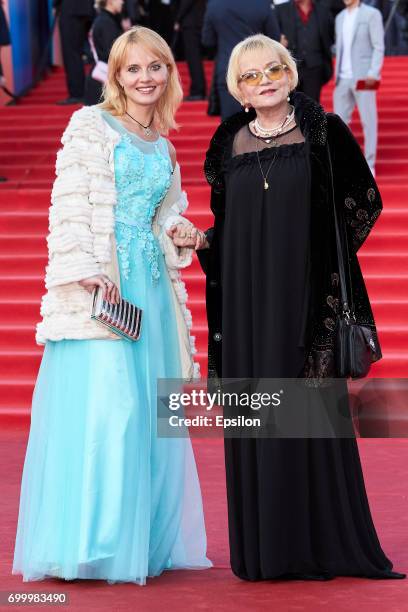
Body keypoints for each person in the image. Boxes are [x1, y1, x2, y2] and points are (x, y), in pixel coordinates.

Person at [171, 34, 406, 581]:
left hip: (305, 300)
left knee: (310, 418)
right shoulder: (228, 140)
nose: (265, 80)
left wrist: (322, 259)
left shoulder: (324, 131)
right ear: (238, 89)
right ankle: (268, 550)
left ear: (290, 73)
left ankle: (321, 545)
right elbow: (228, 226)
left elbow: (364, 202)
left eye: (273, 69)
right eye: (250, 75)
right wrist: (203, 240)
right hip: (247, 305)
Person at [12, 26, 212, 585]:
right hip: (106, 289)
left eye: (157, 67)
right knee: (109, 411)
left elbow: (161, 212)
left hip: (149, 285)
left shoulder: (165, 143)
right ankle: (91, 545)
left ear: (170, 73)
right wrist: (88, 268)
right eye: (133, 69)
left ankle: (140, 540)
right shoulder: (90, 125)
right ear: (116, 76)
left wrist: (181, 231)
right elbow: (70, 203)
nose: (146, 78)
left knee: (148, 417)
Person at [202, 0, 280, 120]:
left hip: (228, 70)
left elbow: (207, 41)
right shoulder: (262, 3)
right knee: (263, 124)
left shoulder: (214, 4)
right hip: (260, 73)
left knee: (231, 128)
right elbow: (274, 38)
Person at [334, 0, 384, 177]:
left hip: (364, 77)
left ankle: (369, 163)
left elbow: (378, 46)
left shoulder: (371, 14)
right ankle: (343, 163)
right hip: (342, 78)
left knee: (368, 121)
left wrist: (373, 73)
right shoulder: (339, 18)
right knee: (338, 124)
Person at [275, 0, 334, 102]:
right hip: (289, 68)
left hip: (315, 67)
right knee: (290, 105)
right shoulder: (280, 10)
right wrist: (278, 42)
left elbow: (330, 36)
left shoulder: (323, 10)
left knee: (312, 106)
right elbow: (271, 34)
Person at [53, 0, 95, 105]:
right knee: (86, 51)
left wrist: (56, 5)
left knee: (71, 52)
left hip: (70, 7)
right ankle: (85, 91)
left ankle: (77, 93)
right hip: (89, 8)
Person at [85, 0, 124, 105]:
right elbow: (112, 52)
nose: (122, 2)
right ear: (110, 1)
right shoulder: (106, 22)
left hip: (100, 77)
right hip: (103, 80)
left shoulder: (104, 20)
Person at [174, 0, 207, 101]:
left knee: (193, 57)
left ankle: (198, 90)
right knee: (194, 57)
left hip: (191, 22)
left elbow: (186, 2)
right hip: (196, 20)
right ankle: (198, 89)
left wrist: (178, 19)